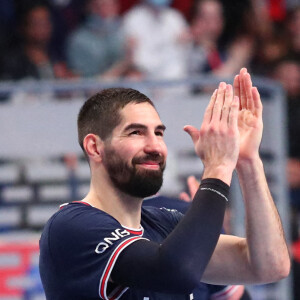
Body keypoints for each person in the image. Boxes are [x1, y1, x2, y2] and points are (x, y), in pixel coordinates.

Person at [39, 69, 290, 299]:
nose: (155, 146)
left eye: (159, 133)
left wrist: (246, 161)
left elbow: (270, 266)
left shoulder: (164, 222)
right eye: (136, 132)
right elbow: (175, 273)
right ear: (95, 147)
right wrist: (218, 167)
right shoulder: (71, 227)